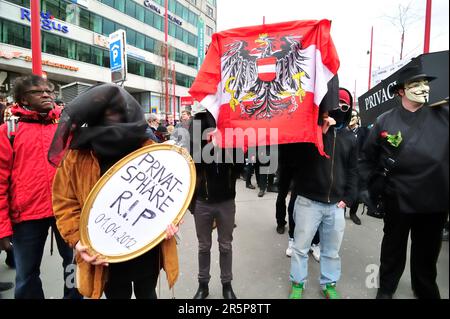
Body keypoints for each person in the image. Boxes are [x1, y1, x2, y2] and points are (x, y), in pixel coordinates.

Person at [49, 83, 180, 299]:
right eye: (106, 111)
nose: (113, 117)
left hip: (148, 247)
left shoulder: (148, 146)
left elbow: (169, 193)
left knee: (147, 293)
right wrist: (78, 239)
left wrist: (172, 220)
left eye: (119, 110)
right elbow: (65, 201)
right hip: (104, 251)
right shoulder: (77, 155)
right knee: (116, 295)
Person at [359, 65, 449, 299]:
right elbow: (367, 159)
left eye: (425, 83)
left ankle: (425, 288)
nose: (423, 88)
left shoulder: (444, 114)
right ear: (400, 91)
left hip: (435, 200)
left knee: (427, 252)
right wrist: (366, 191)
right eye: (415, 84)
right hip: (398, 198)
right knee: (392, 249)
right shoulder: (384, 121)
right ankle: (386, 288)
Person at [0, 75, 81, 299]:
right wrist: (3, 228)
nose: (46, 94)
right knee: (26, 274)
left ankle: (73, 297)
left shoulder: (66, 126)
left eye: (49, 91)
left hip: (66, 211)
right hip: (26, 216)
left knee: (72, 264)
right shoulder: (8, 132)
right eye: (38, 91)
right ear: (22, 98)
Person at [289, 87, 358, 299]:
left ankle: (329, 284)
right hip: (308, 202)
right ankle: (298, 284)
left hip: (336, 205)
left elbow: (353, 170)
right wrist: (319, 134)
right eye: (335, 106)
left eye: (344, 107)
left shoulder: (350, 138)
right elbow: (294, 162)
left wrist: (348, 198)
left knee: (331, 251)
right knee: (301, 248)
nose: (339, 110)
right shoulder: (309, 132)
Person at [189, 110, 242, 300]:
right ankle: (203, 285)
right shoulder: (197, 121)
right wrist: (208, 147)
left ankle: (226, 285)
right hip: (203, 200)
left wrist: (227, 147)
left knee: (225, 246)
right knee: (204, 246)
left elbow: (239, 167)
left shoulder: (230, 117)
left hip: (226, 200)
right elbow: (191, 163)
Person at [346, 110, 369, 225]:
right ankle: (341, 211)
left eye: (353, 116)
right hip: (344, 166)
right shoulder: (341, 131)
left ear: (358, 118)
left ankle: (353, 213)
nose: (351, 118)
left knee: (355, 191)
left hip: (358, 167)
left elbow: (369, 147)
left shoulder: (364, 131)